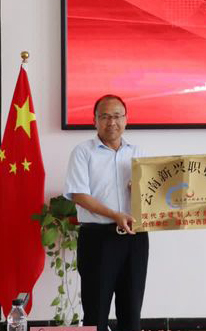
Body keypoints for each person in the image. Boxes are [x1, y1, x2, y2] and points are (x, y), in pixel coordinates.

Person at [64, 94, 149, 331]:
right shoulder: (83, 152)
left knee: (131, 311)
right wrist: (115, 215)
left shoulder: (138, 153)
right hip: (98, 239)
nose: (112, 122)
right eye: (105, 116)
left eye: (117, 116)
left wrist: (140, 190)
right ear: (95, 121)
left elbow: (151, 195)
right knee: (96, 312)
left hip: (135, 239)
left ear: (126, 119)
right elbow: (79, 195)